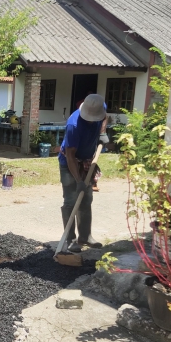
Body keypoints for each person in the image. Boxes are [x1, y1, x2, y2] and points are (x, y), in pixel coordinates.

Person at [58, 94, 107, 253]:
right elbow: (71, 155)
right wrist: (78, 180)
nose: (93, 120)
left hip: (87, 161)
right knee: (71, 200)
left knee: (86, 199)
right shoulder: (74, 124)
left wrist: (102, 133)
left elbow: (106, 117)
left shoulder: (101, 108)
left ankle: (85, 236)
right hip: (69, 163)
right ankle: (70, 239)